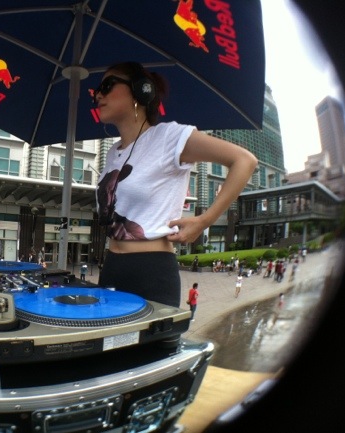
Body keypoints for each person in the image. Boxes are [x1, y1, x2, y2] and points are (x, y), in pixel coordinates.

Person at [94, 61, 257, 307]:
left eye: (107, 85)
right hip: (111, 267)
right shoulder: (113, 152)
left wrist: (204, 221)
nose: (98, 94)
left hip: (151, 272)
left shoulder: (169, 136)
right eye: (98, 89)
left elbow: (244, 161)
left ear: (140, 90)